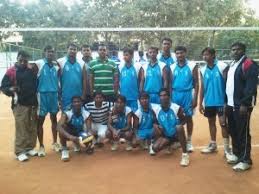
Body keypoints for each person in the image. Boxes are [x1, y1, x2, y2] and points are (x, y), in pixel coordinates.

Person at [225, 42, 258, 171]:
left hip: (242, 105)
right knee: (233, 130)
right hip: (231, 104)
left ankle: (245, 160)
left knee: (242, 132)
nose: (235, 52)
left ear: (243, 50)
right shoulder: (232, 64)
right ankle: (237, 154)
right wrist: (226, 102)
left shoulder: (249, 64)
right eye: (233, 49)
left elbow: (251, 86)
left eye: (238, 49)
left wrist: (245, 103)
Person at [1, 51, 38, 162]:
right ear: (17, 59)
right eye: (20, 60)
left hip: (32, 103)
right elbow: (4, 86)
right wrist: (10, 89)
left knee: (32, 127)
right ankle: (20, 151)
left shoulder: (31, 70)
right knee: (21, 128)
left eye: (25, 60)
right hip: (20, 104)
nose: (23, 62)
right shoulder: (11, 71)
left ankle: (29, 148)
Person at [199, 47, 230, 155]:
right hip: (209, 102)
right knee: (211, 123)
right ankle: (213, 145)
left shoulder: (223, 66)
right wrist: (200, 103)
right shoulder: (202, 69)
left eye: (207, 54)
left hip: (221, 102)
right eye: (203, 55)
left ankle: (227, 149)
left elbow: (228, 84)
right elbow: (202, 87)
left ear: (213, 55)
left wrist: (227, 101)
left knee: (223, 124)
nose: (205, 57)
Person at [169, 46, 199, 152]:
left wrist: (195, 99)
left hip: (187, 95)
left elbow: (196, 83)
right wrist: (170, 98)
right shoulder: (172, 67)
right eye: (177, 53)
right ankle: (177, 140)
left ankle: (189, 141)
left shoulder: (192, 66)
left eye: (181, 53)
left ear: (185, 53)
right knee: (176, 118)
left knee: (189, 118)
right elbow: (170, 84)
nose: (179, 55)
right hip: (175, 95)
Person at [151, 89, 189, 166]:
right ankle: (170, 145)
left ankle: (185, 155)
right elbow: (154, 121)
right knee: (155, 148)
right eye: (161, 96)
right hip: (166, 135)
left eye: (165, 95)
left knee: (179, 127)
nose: (163, 97)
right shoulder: (156, 109)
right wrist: (157, 125)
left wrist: (177, 125)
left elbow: (184, 120)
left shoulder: (176, 108)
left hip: (175, 134)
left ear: (169, 97)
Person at [35, 45, 61, 156]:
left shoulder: (56, 65)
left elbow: (58, 79)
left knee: (54, 119)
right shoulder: (39, 64)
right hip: (42, 95)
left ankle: (55, 143)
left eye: (52, 52)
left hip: (54, 95)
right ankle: (41, 146)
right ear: (44, 52)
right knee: (40, 121)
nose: (51, 53)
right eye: (49, 51)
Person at [57, 96, 94, 161]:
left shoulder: (86, 113)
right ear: (72, 104)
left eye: (78, 101)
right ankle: (64, 149)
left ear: (81, 103)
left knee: (88, 137)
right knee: (62, 128)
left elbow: (89, 129)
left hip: (79, 132)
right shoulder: (67, 113)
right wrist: (70, 136)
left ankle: (77, 144)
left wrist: (89, 138)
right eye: (74, 102)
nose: (76, 103)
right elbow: (58, 126)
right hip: (69, 132)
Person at [57, 43, 86, 111]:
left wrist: (83, 94)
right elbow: (56, 79)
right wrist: (59, 95)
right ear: (67, 50)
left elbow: (84, 79)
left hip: (78, 94)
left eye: (74, 49)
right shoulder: (60, 61)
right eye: (71, 49)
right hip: (65, 95)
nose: (72, 51)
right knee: (65, 115)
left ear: (77, 51)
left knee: (78, 114)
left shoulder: (82, 63)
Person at [118, 47, 141, 112]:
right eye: (124, 55)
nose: (124, 57)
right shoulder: (120, 66)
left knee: (134, 115)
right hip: (123, 98)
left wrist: (139, 92)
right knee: (125, 116)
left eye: (126, 55)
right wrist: (120, 92)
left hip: (134, 97)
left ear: (132, 55)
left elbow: (141, 80)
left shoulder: (137, 66)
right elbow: (118, 81)